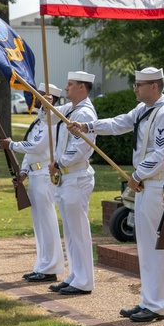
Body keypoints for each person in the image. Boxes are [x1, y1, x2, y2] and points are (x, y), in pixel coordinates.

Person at [69, 67, 164, 323]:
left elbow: (161, 154)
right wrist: (87, 125)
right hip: (144, 184)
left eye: (139, 85)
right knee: (144, 246)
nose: (135, 89)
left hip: (155, 185)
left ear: (154, 86)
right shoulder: (143, 110)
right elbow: (119, 123)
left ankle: (156, 305)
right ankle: (148, 301)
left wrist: (137, 175)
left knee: (155, 247)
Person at [0, 83, 65, 282]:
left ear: (50, 98)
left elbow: (36, 146)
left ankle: (51, 267)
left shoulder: (52, 122)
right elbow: (30, 149)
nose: (34, 99)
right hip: (35, 175)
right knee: (39, 223)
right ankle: (42, 265)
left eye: (40, 96)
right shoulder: (40, 119)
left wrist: (12, 144)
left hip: (45, 175)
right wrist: (24, 170)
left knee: (47, 222)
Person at [46, 71, 97, 296]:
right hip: (65, 176)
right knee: (70, 230)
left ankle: (85, 280)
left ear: (82, 88)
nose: (65, 89)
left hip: (76, 175)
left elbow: (82, 146)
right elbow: (48, 119)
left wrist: (60, 161)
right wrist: (46, 105)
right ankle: (75, 275)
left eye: (70, 85)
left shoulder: (85, 112)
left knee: (79, 231)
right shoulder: (70, 109)